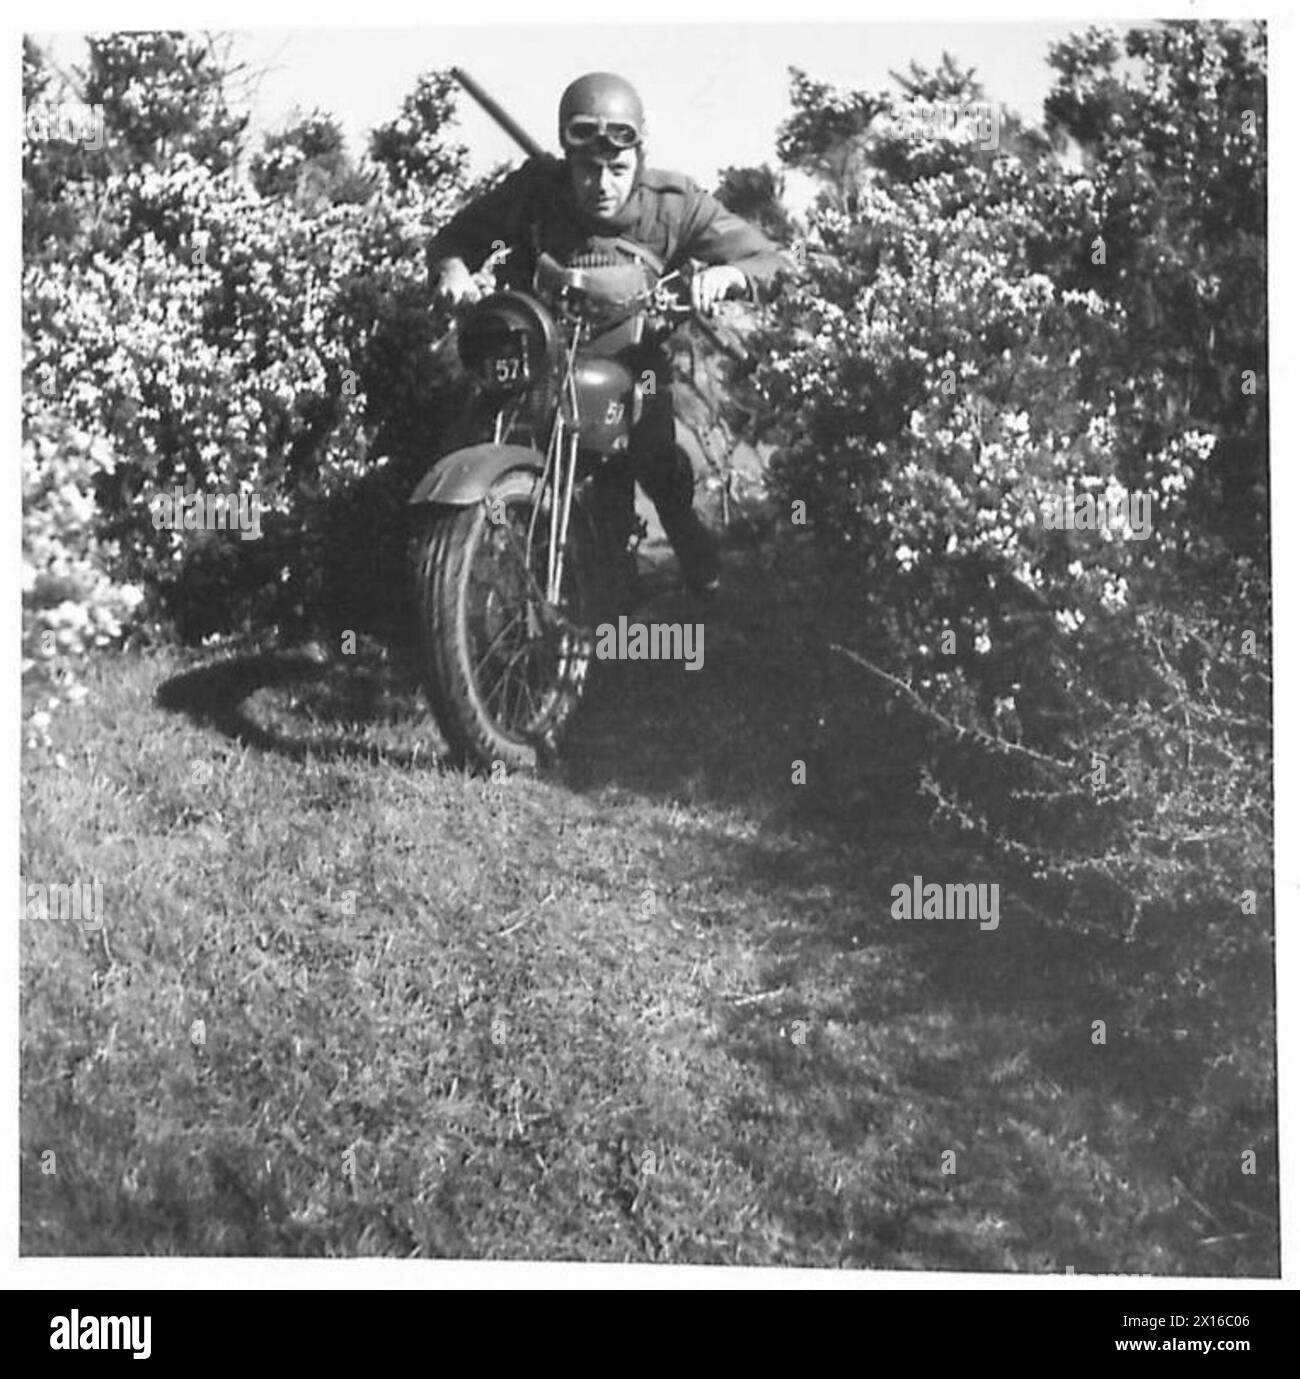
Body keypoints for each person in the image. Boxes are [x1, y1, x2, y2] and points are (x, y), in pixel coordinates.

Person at [427, 71, 788, 598]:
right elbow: (456, 240)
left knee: (656, 464)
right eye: (587, 169)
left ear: (638, 156)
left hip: (634, 363)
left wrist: (728, 275)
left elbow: (772, 258)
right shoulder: (532, 190)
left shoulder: (675, 202)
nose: (601, 184)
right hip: (541, 356)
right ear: (566, 159)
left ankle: (690, 549)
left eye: (617, 168)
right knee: (467, 437)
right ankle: (465, 577)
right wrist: (453, 270)